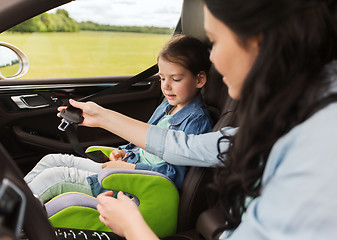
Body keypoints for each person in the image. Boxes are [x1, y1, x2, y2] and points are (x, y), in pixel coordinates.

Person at [97, 0, 337, 239]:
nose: (212, 58)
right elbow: (187, 146)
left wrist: (132, 226)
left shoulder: (330, 148)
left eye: (214, 41)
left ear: (259, 40)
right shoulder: (289, 114)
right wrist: (102, 116)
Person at [24, 34, 213, 203]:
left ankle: (12, 220)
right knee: (51, 160)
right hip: (126, 167)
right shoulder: (167, 105)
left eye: (176, 79)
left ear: (199, 80)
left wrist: (130, 167)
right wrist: (123, 152)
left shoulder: (196, 121)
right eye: (162, 78)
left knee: (54, 178)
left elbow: (173, 177)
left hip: (135, 185)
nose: (167, 87)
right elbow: (143, 142)